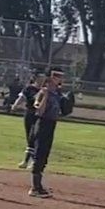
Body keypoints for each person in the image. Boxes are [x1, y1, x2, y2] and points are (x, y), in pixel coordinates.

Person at [28, 68, 74, 197]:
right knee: (39, 154)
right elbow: (39, 111)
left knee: (44, 155)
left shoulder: (58, 94)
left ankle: (39, 185)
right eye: (56, 76)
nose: (59, 79)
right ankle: (35, 188)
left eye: (60, 76)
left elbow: (61, 112)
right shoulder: (43, 92)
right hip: (42, 124)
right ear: (49, 78)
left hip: (51, 124)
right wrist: (46, 95)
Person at [11, 74, 41, 166]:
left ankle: (28, 160)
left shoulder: (44, 90)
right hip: (29, 113)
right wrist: (15, 105)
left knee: (34, 136)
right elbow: (22, 98)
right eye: (39, 78)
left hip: (39, 114)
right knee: (29, 136)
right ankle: (33, 159)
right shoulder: (29, 89)